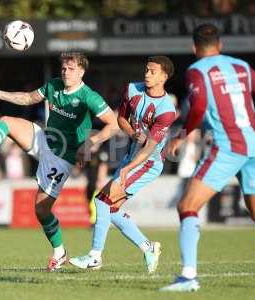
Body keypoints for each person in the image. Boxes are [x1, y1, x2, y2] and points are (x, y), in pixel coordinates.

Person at [0, 52, 119, 272]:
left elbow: (113, 125)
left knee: (41, 209)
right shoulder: (55, 85)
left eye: (72, 69)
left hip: (62, 157)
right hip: (44, 140)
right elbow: (28, 98)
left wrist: (91, 142)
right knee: (7, 121)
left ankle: (60, 253)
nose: (66, 72)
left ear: (82, 72)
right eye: (64, 68)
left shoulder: (89, 96)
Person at [160, 24, 255, 292]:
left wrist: (181, 135)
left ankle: (188, 277)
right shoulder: (240, 65)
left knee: (187, 206)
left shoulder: (197, 71)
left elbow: (198, 106)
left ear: (194, 48)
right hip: (254, 144)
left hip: (228, 145)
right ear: (220, 44)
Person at [69, 56, 176, 274]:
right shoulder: (132, 90)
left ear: (164, 77)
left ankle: (94, 257)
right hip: (131, 158)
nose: (147, 74)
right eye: (146, 69)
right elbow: (121, 119)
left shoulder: (167, 110)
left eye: (153, 71)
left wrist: (127, 169)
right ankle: (149, 248)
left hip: (148, 163)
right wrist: (131, 133)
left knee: (101, 201)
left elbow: (148, 149)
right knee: (112, 209)